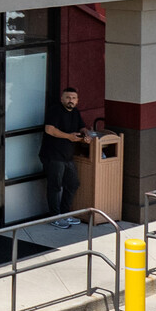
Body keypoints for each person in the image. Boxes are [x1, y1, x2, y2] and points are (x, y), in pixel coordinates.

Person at [41, 85, 91, 229]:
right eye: (68, 97)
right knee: (55, 186)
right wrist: (69, 136)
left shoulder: (75, 112)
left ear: (77, 101)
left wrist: (85, 133)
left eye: (73, 98)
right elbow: (49, 129)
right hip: (53, 155)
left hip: (68, 156)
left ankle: (64, 213)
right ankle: (54, 217)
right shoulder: (55, 111)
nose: (71, 100)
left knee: (73, 184)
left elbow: (82, 127)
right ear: (62, 99)